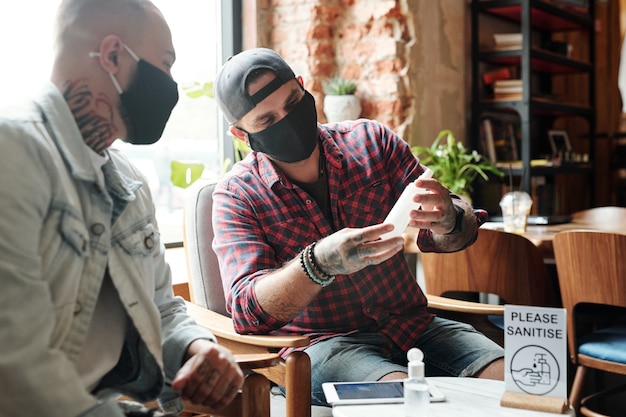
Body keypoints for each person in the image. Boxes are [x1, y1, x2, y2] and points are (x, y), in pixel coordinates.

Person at [211, 47, 505, 406]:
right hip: (325, 346)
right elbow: (246, 311)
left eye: (292, 102)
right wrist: (317, 264)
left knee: (522, 387)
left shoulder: (371, 143)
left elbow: (455, 234)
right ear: (242, 135)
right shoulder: (237, 195)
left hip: (415, 325)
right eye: (267, 121)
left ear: (304, 88)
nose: (286, 120)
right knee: (404, 400)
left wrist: (450, 219)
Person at [0, 1, 244, 416]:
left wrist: (195, 346)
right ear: (113, 55)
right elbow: (13, 360)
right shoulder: (13, 153)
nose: (170, 83)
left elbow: (162, 306)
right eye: (165, 64)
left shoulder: (128, 181)